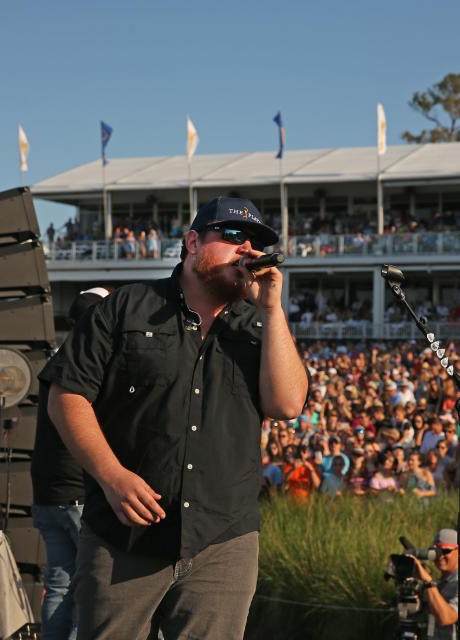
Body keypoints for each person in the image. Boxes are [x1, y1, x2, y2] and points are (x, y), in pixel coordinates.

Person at [45, 197, 307, 640]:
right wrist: (112, 476)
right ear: (192, 243)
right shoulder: (127, 307)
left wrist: (272, 311)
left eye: (256, 243)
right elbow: (66, 395)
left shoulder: (260, 325)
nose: (247, 249)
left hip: (223, 537)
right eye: (232, 237)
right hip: (124, 535)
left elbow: (287, 405)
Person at [31, 286, 109, 640]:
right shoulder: (90, 363)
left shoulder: (55, 363)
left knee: (59, 586)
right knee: (89, 590)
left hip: (47, 494)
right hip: (79, 494)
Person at [410, 528, 460, 640]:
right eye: (436, 552)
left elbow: (446, 618)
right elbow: (433, 611)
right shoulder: (443, 583)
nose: (440, 556)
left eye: (446, 551)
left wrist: (428, 582)